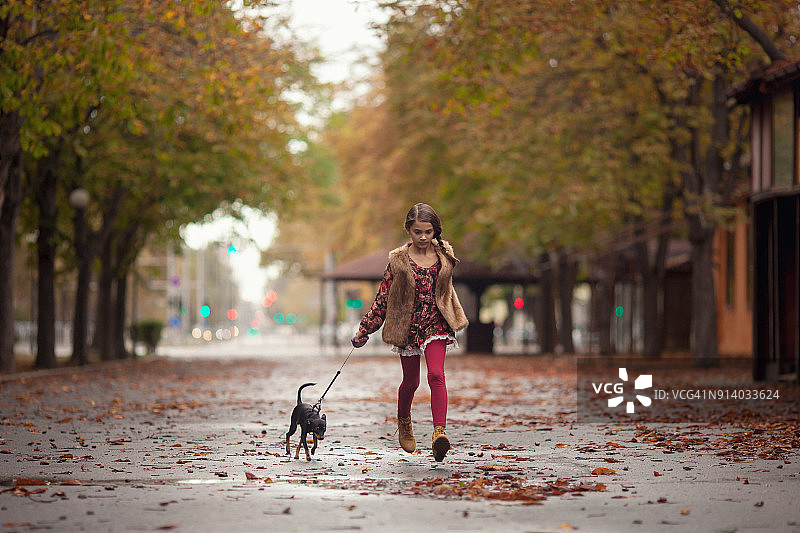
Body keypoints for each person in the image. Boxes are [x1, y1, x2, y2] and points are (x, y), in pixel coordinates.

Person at [351, 203, 469, 461]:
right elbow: (383, 299)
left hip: (437, 322)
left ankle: (439, 433)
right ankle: (404, 420)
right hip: (409, 325)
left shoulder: (445, 256)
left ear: (435, 231)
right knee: (411, 382)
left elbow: (446, 291)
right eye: (418, 232)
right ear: (408, 230)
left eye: (428, 231)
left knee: (437, 375)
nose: (424, 237)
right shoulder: (398, 261)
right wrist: (365, 329)